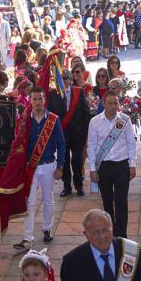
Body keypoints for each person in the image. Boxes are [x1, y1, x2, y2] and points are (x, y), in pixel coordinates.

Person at [1, 86, 65, 249]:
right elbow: (19, 144)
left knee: (48, 200)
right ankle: (27, 237)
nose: (37, 102)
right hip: (31, 167)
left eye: (40, 99)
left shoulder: (53, 119)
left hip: (49, 165)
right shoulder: (24, 120)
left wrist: (60, 166)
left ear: (45, 101)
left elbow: (61, 144)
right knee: (29, 201)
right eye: (34, 99)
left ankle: (47, 229)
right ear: (30, 100)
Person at [87, 91, 137, 239]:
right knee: (107, 202)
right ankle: (110, 231)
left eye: (116, 103)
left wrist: (132, 164)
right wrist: (92, 169)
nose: (114, 106)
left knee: (121, 202)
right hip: (104, 167)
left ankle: (121, 235)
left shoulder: (125, 120)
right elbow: (91, 146)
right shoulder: (95, 122)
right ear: (104, 104)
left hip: (121, 165)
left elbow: (131, 143)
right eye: (110, 103)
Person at [46, 69, 91, 197]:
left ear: (71, 80)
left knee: (77, 160)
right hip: (61, 135)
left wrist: (83, 130)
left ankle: (79, 186)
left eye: (66, 78)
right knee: (64, 161)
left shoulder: (79, 92)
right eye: (60, 79)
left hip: (77, 135)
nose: (63, 81)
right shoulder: (53, 94)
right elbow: (50, 115)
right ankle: (66, 186)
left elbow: (86, 113)